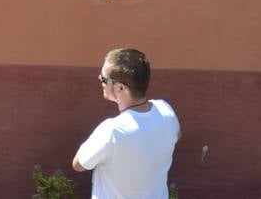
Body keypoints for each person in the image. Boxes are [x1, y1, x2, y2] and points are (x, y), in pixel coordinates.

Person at [73, 48, 181, 199]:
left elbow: (78, 164)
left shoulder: (112, 131)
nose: (99, 79)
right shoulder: (166, 111)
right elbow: (177, 134)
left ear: (120, 88)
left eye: (104, 78)